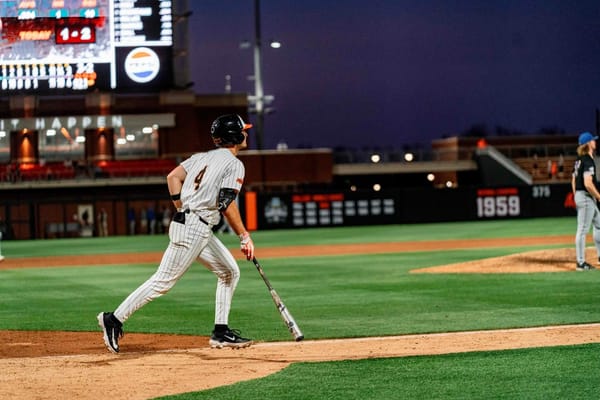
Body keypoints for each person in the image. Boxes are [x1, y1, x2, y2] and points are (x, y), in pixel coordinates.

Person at [98, 114, 256, 353]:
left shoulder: (201, 158)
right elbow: (226, 203)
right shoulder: (234, 163)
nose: (246, 133)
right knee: (162, 282)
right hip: (194, 228)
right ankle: (113, 320)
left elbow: (173, 177)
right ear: (234, 135)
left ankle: (221, 332)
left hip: (195, 225)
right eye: (243, 130)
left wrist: (182, 208)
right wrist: (244, 236)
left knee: (229, 272)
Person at [572, 131, 600, 271]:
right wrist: (599, 196)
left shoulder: (579, 159)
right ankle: (581, 263)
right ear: (588, 143)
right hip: (586, 196)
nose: (595, 142)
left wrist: (576, 194)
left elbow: (573, 179)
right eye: (593, 140)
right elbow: (588, 183)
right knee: (582, 230)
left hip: (582, 195)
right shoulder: (588, 160)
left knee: (599, 223)